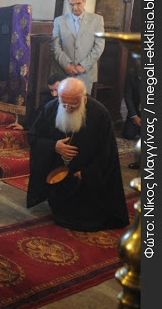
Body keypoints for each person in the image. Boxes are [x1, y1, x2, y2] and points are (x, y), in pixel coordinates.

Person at [26, 78, 129, 232]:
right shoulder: (50, 108)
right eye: (64, 103)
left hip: (86, 178)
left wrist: (89, 172)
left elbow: (107, 150)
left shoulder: (99, 113)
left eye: (73, 104)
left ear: (83, 97)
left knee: (88, 218)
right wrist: (54, 146)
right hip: (60, 175)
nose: (68, 108)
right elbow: (33, 137)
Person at [51, 0, 105, 93]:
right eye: (71, 4)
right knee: (63, 102)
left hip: (86, 74)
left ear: (84, 1)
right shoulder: (59, 21)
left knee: (82, 102)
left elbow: (99, 46)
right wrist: (66, 65)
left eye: (78, 4)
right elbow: (55, 46)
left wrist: (83, 66)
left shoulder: (97, 20)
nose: (75, 8)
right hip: (63, 73)